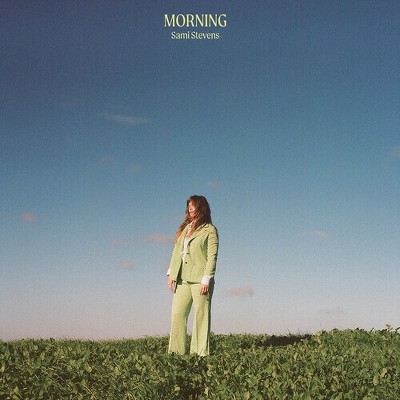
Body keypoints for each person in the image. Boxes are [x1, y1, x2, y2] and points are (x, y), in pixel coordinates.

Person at [167, 195, 219, 356]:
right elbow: (177, 252)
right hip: (182, 279)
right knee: (177, 315)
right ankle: (176, 353)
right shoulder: (185, 229)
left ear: (201, 208)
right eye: (188, 205)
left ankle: (199, 354)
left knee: (201, 317)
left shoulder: (210, 230)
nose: (190, 208)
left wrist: (206, 279)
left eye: (193, 205)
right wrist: (171, 274)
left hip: (200, 281)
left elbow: (212, 257)